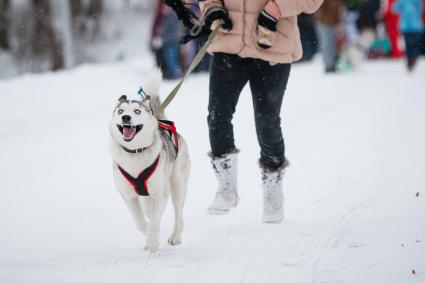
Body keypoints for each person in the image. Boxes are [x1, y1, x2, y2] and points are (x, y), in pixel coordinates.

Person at [198, 0, 323, 223]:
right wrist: (212, 8)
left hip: (271, 44)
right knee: (217, 113)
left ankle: (273, 186)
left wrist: (277, 8)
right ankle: (226, 186)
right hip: (229, 44)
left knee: (267, 121)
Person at [151, 0, 183, 80]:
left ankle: (174, 72)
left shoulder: (171, 14)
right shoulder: (165, 14)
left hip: (170, 40)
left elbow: (171, 29)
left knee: (171, 55)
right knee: (170, 56)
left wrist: (162, 38)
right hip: (168, 39)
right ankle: (172, 72)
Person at [393, 0, 424, 71]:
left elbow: (421, 8)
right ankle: (410, 60)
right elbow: (394, 9)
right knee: (409, 44)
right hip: (407, 27)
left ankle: (413, 59)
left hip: (415, 26)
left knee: (414, 44)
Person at [315, 0, 344, 72]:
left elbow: (337, 9)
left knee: (332, 44)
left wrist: (338, 22)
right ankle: (328, 65)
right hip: (323, 22)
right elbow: (318, 7)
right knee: (326, 44)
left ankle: (332, 64)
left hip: (333, 23)